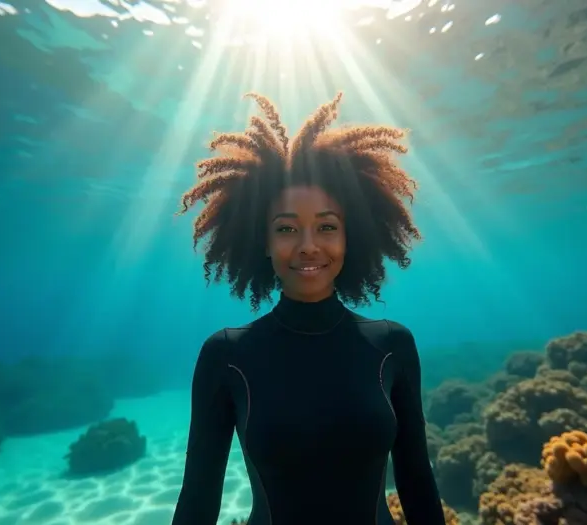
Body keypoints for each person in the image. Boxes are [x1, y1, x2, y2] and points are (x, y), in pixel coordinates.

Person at [171, 92, 445, 525]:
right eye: (286, 228)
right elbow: (198, 499)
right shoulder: (226, 356)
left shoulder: (393, 344)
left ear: (350, 236)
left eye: (327, 226)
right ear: (261, 240)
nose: (308, 246)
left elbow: (417, 484)